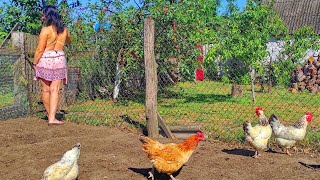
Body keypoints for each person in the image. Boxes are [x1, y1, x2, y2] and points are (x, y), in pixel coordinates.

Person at [33, 5, 71, 125]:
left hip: (46, 59)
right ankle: (52, 118)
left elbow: (39, 49)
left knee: (45, 89)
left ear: (48, 15)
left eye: (43, 14)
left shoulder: (45, 30)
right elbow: (69, 41)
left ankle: (51, 117)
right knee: (55, 90)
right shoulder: (64, 30)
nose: (42, 16)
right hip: (59, 59)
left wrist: (35, 63)